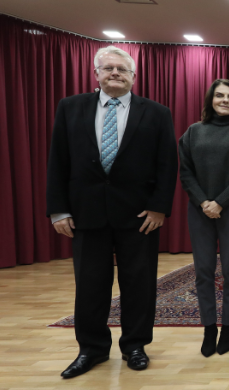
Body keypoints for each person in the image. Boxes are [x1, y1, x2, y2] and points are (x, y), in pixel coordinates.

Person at [46, 45, 177, 378]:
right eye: (108, 69)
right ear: (96, 74)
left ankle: (135, 345)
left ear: (133, 76)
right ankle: (91, 349)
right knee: (90, 285)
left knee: (139, 284)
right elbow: (57, 161)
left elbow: (166, 165)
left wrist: (159, 207)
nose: (115, 73)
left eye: (121, 69)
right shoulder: (70, 108)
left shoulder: (157, 113)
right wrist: (58, 210)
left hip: (139, 217)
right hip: (86, 214)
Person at [178, 79, 229, 357]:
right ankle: (209, 327)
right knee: (203, 272)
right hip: (199, 210)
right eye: (219, 96)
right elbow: (185, 172)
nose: (225, 100)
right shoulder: (193, 132)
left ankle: (228, 327)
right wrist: (204, 201)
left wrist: (220, 202)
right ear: (210, 100)